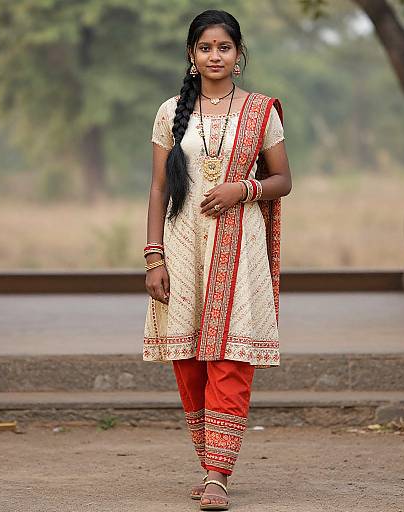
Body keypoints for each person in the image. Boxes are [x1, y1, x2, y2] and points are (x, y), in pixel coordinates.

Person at [143, 9, 292, 511]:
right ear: (191, 55)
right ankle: (209, 460)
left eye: (223, 47)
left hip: (239, 245)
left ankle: (217, 475)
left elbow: (282, 181)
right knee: (187, 357)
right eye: (205, 47)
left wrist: (244, 189)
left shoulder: (260, 110)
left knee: (229, 354)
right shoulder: (169, 111)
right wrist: (153, 257)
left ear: (238, 54)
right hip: (182, 246)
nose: (214, 56)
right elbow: (159, 187)